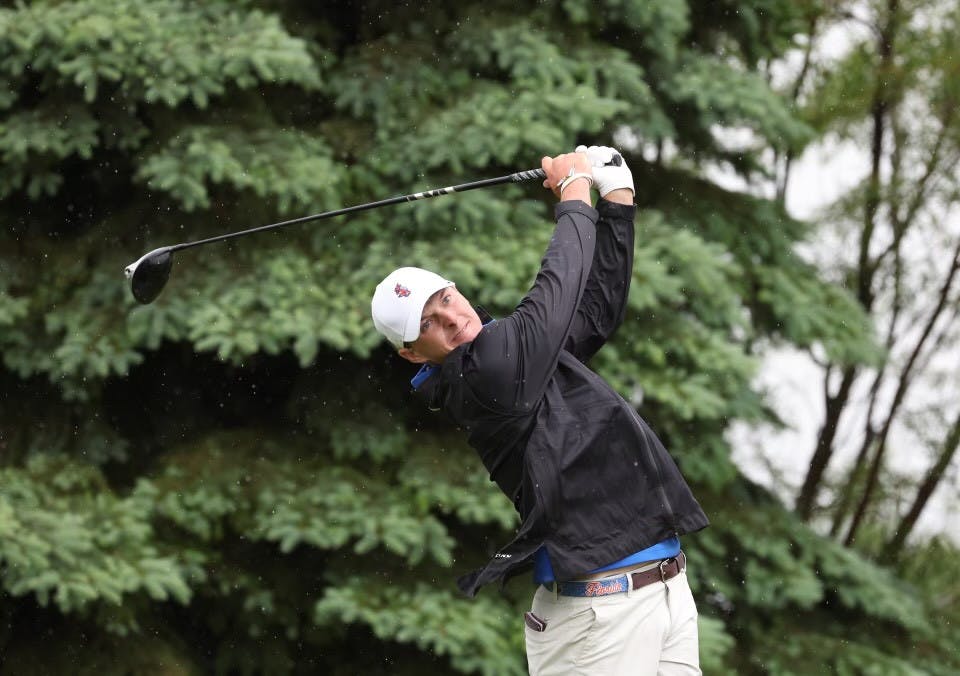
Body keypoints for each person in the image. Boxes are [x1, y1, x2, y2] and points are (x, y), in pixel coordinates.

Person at [370, 147, 709, 675]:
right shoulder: (484, 375)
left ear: (457, 291)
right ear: (413, 353)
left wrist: (617, 202)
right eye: (429, 324)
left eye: (445, 300)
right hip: (599, 617)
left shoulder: (513, 353)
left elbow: (593, 312)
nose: (451, 320)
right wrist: (574, 192)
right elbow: (559, 284)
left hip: (661, 594)